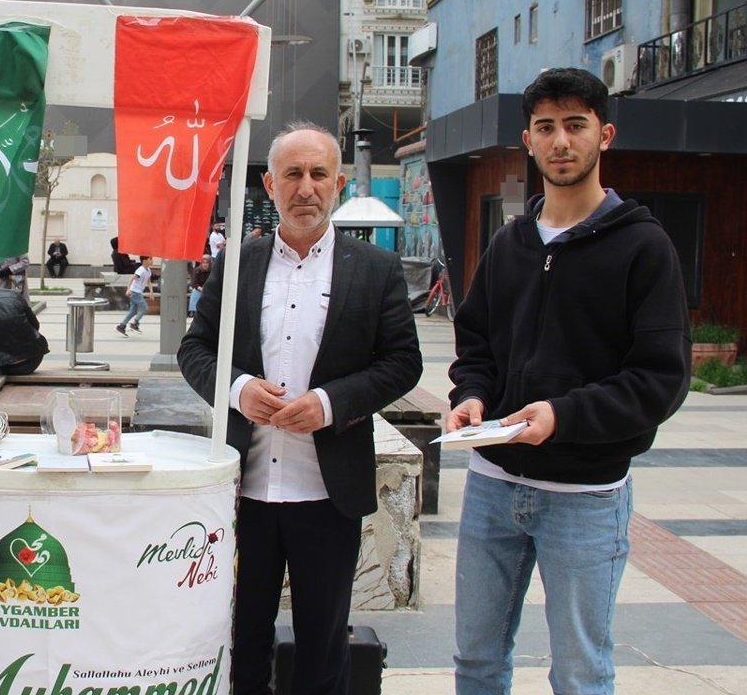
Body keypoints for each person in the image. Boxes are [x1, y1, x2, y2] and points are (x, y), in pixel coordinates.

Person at [448, 68, 690, 695]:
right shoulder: (509, 244)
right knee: (475, 662)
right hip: (492, 484)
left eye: (576, 125)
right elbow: (476, 344)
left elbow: (660, 379)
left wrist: (563, 415)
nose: (561, 141)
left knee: (581, 674)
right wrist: (471, 396)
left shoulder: (644, 247)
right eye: (546, 127)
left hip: (586, 495)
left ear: (604, 135)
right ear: (527, 140)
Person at [178, 122, 421, 695]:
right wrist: (238, 389)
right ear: (270, 184)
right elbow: (195, 349)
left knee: (323, 649)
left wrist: (332, 404)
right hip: (244, 494)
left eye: (318, 174)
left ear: (338, 183)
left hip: (327, 496)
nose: (305, 187)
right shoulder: (237, 263)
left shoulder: (376, 269)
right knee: (240, 642)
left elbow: (403, 363)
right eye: (292, 174)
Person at [115, 255, 154, 336]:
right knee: (144, 307)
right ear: (145, 261)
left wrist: (151, 292)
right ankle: (135, 323)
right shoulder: (141, 270)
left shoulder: (148, 270)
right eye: (150, 259)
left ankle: (122, 326)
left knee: (133, 311)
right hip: (134, 292)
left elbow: (149, 282)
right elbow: (132, 278)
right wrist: (128, 289)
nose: (152, 261)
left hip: (137, 292)